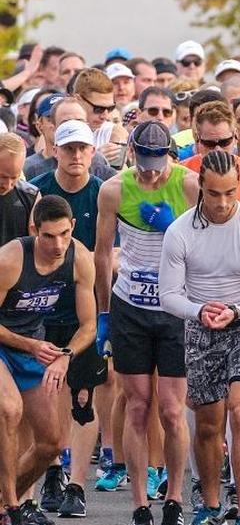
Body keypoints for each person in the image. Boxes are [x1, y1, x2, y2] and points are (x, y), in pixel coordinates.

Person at [158, 150, 240, 525]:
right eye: (214, 193)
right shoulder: (180, 231)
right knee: (209, 423)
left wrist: (238, 311)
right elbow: (168, 296)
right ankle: (211, 503)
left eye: (231, 192)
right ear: (201, 187)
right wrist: (200, 310)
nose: (223, 202)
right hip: (200, 322)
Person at [94, 121, 198, 524]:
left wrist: (173, 229)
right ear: (132, 153)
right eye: (144, 161)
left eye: (158, 161)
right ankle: (138, 502)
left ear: (169, 154)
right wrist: (104, 313)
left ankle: (173, 496)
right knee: (137, 405)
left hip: (175, 308)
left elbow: (204, 247)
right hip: (131, 306)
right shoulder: (115, 189)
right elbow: (103, 254)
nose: (151, 171)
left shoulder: (188, 185)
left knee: (172, 409)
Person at [0, 196, 96, 525]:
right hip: (7, 344)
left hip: (32, 347)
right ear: (33, 230)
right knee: (10, 409)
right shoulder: (12, 258)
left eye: (65, 235)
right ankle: (12, 508)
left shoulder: (80, 258)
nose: (58, 245)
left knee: (51, 442)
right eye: (49, 236)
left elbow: (89, 326)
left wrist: (65, 356)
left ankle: (3, 503)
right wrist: (29, 344)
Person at [28, 119, 105, 513]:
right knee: (45, 393)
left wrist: (105, 311)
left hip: (85, 302)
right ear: (54, 149)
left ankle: (76, 484)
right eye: (69, 148)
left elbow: (110, 250)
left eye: (83, 149)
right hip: (39, 305)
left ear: (93, 151)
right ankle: (53, 471)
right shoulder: (37, 189)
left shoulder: (102, 190)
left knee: (83, 397)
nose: (76, 156)